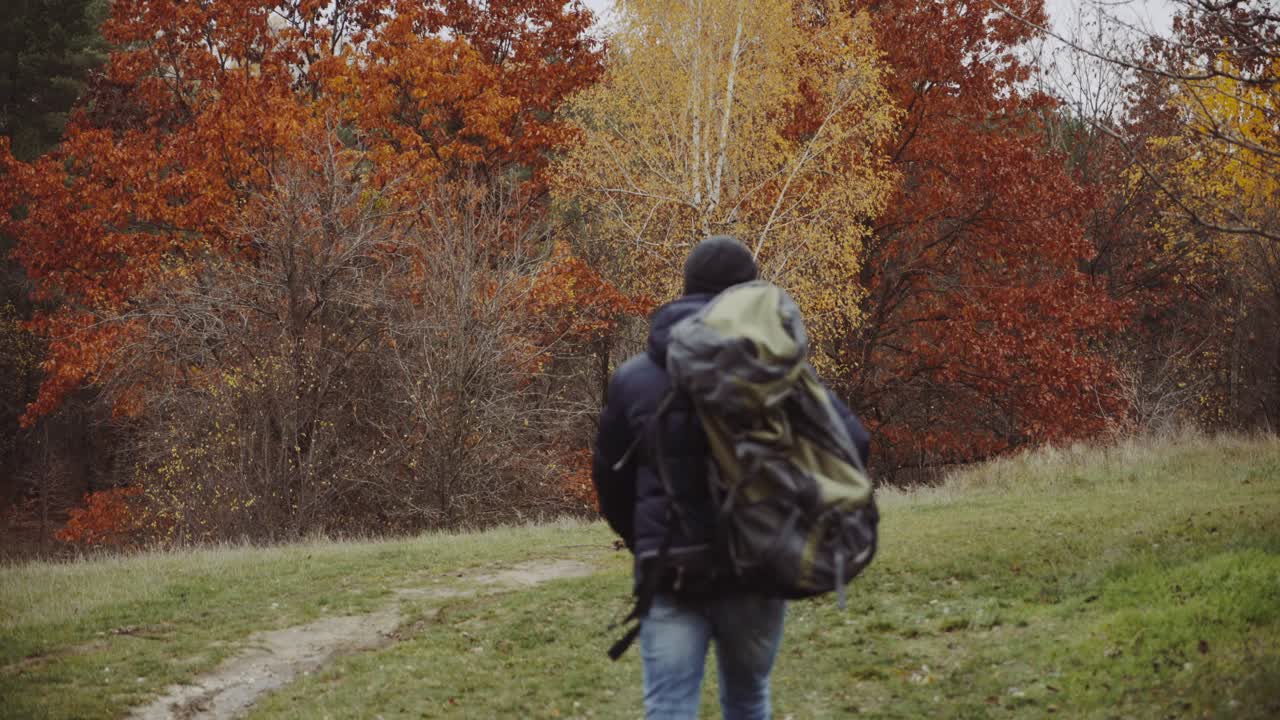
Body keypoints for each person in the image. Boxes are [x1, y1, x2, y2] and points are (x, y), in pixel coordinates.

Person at [591, 235, 871, 720]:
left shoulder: (635, 378)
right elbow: (854, 444)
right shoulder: (779, 373)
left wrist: (647, 543)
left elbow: (609, 482)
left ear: (686, 287)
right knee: (747, 702)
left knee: (668, 709)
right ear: (748, 291)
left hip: (671, 572)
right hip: (758, 567)